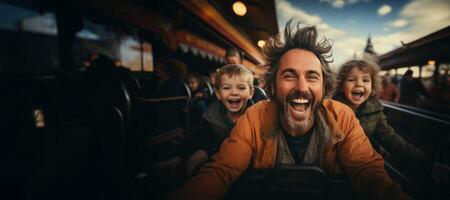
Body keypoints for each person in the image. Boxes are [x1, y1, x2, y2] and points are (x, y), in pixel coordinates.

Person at [171, 20, 409, 200]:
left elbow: (369, 173)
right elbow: (222, 171)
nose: (302, 87)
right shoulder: (255, 117)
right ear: (272, 86)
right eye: (289, 75)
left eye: (312, 77)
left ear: (324, 87)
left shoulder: (343, 117)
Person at [150, 64, 255, 188]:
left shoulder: (257, 118)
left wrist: (208, 152)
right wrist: (179, 157)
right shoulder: (211, 115)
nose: (234, 93)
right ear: (218, 94)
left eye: (241, 88)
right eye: (226, 88)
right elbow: (195, 137)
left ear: (251, 93)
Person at [333, 60, 423, 166]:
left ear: (372, 86)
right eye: (351, 80)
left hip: (363, 166)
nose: (359, 84)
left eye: (366, 80)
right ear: (341, 86)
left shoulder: (374, 109)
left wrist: (422, 160)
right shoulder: (332, 109)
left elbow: (390, 138)